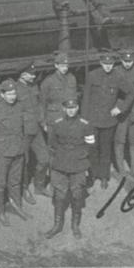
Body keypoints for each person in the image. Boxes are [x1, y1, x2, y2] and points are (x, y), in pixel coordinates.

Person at [81, 52, 134, 189]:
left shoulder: (118, 76)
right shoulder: (92, 76)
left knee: (105, 149)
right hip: (92, 121)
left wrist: (120, 108)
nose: (108, 67)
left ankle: (104, 176)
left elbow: (131, 92)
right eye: (105, 64)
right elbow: (85, 98)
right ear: (101, 63)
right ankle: (93, 175)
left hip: (108, 121)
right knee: (92, 148)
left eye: (110, 64)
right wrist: (83, 118)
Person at [45, 99, 95, 239]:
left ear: (78, 107)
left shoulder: (85, 124)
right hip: (60, 163)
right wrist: (56, 159)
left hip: (78, 164)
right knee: (60, 195)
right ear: (64, 109)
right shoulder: (57, 123)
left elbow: (91, 144)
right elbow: (52, 143)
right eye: (68, 108)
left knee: (77, 194)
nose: (71, 110)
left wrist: (82, 156)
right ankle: (57, 225)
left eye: (74, 108)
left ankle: (75, 225)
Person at [0, 79, 30, 224]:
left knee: (15, 181)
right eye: (9, 94)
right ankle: (0, 211)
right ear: (2, 95)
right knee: (1, 183)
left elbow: (23, 128)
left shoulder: (20, 106)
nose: (12, 96)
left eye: (14, 93)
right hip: (3, 151)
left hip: (18, 149)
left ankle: (16, 206)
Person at [15, 62, 48, 205]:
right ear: (23, 75)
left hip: (36, 129)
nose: (34, 76)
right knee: (24, 162)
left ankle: (39, 186)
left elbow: (39, 106)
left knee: (44, 158)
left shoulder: (34, 86)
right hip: (23, 132)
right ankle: (24, 190)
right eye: (31, 74)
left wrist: (43, 122)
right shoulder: (15, 89)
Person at [113, 48, 134, 175]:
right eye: (125, 61)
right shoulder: (116, 72)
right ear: (121, 60)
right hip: (122, 113)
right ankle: (121, 168)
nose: (127, 63)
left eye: (130, 61)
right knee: (120, 140)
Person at [40, 52, 78, 134]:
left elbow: (74, 99)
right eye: (62, 66)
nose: (65, 68)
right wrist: (43, 123)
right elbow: (42, 103)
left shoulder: (72, 78)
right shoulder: (48, 81)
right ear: (56, 66)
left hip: (69, 117)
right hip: (54, 118)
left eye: (67, 66)